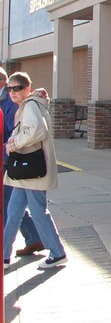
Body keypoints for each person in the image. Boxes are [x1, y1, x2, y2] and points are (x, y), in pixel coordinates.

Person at [3, 72, 68, 270]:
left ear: (27, 88)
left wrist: (13, 143)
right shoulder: (28, 105)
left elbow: (38, 130)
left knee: (37, 211)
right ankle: (4, 255)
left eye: (18, 88)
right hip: (26, 172)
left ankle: (57, 253)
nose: (13, 92)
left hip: (32, 170)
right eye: (10, 88)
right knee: (14, 212)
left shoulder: (31, 105)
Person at [0, 67, 44, 256]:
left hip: (14, 161)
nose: (12, 92)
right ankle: (35, 239)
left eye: (14, 89)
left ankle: (35, 240)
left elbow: (14, 130)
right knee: (14, 204)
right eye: (11, 89)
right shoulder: (8, 99)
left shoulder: (13, 103)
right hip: (14, 160)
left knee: (11, 205)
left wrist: (7, 154)